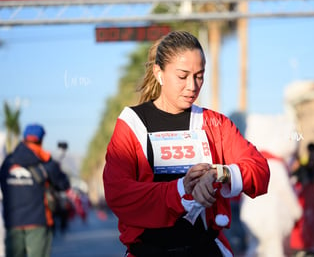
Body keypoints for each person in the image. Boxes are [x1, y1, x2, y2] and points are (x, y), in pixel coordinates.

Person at [103, 30, 270, 257]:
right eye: (182, 76)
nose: (192, 86)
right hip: (149, 250)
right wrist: (183, 189)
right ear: (159, 73)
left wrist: (220, 173)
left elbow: (259, 169)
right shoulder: (132, 124)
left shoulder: (214, 123)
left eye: (199, 76)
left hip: (204, 248)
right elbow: (118, 193)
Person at [0, 124, 71, 257]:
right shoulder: (45, 161)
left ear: (24, 138)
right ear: (41, 140)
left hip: (13, 223)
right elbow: (64, 184)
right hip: (38, 222)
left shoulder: (8, 162)